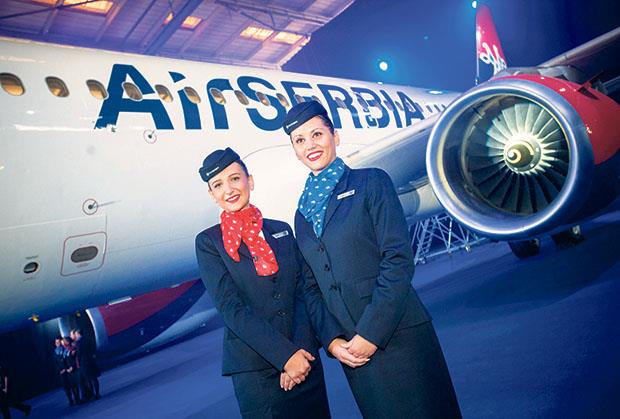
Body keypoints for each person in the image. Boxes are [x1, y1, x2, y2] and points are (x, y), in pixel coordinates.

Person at [284, 101, 462, 418]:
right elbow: (311, 287)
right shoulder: (302, 214)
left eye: (317, 134)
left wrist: (370, 333)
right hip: (352, 351)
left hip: (397, 334)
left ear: (335, 136)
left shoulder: (371, 182)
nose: (310, 145)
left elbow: (397, 259)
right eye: (300, 140)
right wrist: (333, 341)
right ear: (295, 151)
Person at [195, 148, 367, 418]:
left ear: (250, 181)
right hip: (258, 372)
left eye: (235, 179)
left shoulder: (281, 230)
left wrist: (301, 353)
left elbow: (304, 292)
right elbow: (232, 309)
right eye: (218, 185)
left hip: (305, 360)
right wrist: (285, 357)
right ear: (211, 194)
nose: (229, 190)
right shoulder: (209, 243)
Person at [70, 329, 101, 401]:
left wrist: (78, 361)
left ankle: (92, 394)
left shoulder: (78, 343)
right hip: (91, 361)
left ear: (78, 334)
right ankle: (97, 393)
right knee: (94, 378)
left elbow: (79, 353)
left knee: (88, 379)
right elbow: (93, 348)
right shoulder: (88, 339)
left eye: (75, 334)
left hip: (84, 363)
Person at [53, 337, 76, 406]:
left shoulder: (65, 349)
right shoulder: (55, 352)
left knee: (73, 385)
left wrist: (68, 368)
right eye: (56, 343)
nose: (57, 344)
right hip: (62, 372)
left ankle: (77, 398)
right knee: (66, 387)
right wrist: (60, 370)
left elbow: (69, 360)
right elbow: (55, 363)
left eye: (59, 342)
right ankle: (70, 400)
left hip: (68, 370)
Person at [60, 337, 80, 406]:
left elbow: (75, 358)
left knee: (76, 384)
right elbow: (64, 360)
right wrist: (66, 368)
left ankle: (79, 398)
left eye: (64, 342)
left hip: (74, 368)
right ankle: (76, 399)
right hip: (68, 370)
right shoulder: (64, 351)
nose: (63, 343)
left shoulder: (72, 348)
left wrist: (72, 366)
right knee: (72, 385)